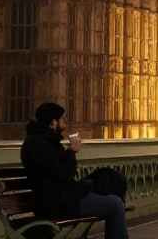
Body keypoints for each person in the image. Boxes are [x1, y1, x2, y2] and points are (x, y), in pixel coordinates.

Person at [20, 102, 128, 239]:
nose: (65, 120)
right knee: (116, 205)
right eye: (62, 117)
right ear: (53, 122)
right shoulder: (40, 145)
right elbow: (65, 176)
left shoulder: (42, 142)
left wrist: (69, 153)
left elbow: (58, 173)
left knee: (113, 192)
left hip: (57, 198)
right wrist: (71, 153)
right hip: (56, 203)